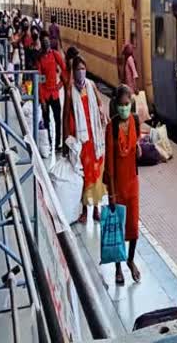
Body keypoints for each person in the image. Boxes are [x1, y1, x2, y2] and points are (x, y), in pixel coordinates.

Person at [104, 84, 142, 285]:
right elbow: (109, 164)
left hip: (133, 183)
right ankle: (118, 267)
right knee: (118, 227)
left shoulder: (135, 120)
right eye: (121, 105)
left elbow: (136, 142)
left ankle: (131, 260)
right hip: (117, 185)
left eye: (127, 104)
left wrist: (137, 149)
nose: (124, 108)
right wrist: (110, 193)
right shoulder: (111, 128)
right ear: (115, 105)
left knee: (133, 226)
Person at [63, 56, 109, 224]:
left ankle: (96, 208)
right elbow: (65, 116)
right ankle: (84, 210)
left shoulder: (91, 86)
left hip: (95, 138)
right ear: (73, 72)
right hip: (81, 140)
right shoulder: (70, 92)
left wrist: (103, 113)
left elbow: (99, 104)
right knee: (84, 176)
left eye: (83, 68)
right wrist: (66, 142)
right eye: (78, 69)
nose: (81, 72)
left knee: (96, 175)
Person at [37, 32, 66, 152]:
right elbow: (40, 79)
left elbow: (64, 69)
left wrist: (60, 85)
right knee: (47, 120)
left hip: (54, 93)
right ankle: (48, 142)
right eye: (44, 41)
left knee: (57, 119)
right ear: (42, 43)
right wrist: (42, 99)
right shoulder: (40, 59)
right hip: (45, 93)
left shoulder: (55, 55)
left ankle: (57, 144)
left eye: (47, 41)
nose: (46, 43)